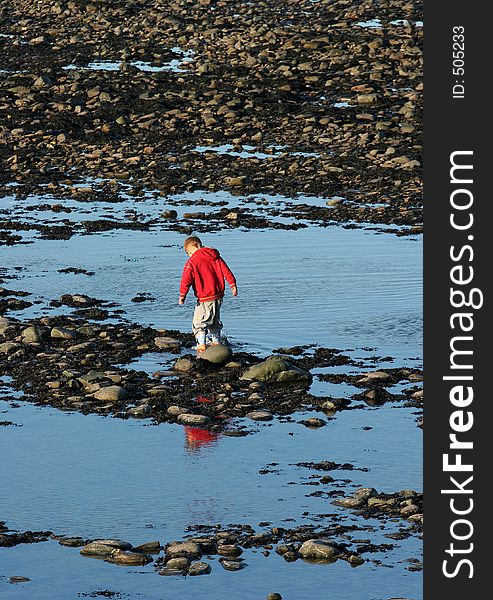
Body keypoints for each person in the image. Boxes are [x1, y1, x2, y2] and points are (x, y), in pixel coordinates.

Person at [178, 236, 238, 352]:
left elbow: (186, 280)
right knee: (215, 319)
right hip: (218, 295)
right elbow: (226, 270)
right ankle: (216, 342)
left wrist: (182, 295)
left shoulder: (192, 261)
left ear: (189, 252)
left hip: (205, 297)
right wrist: (232, 284)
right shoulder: (215, 256)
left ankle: (201, 344)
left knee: (199, 322)